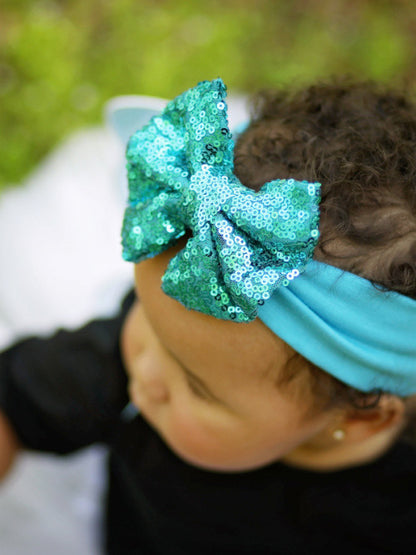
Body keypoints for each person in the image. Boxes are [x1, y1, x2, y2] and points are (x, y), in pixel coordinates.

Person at [0, 77, 415, 554]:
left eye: (197, 387)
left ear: (359, 420)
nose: (145, 372)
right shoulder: (140, 353)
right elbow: (15, 399)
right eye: (149, 323)